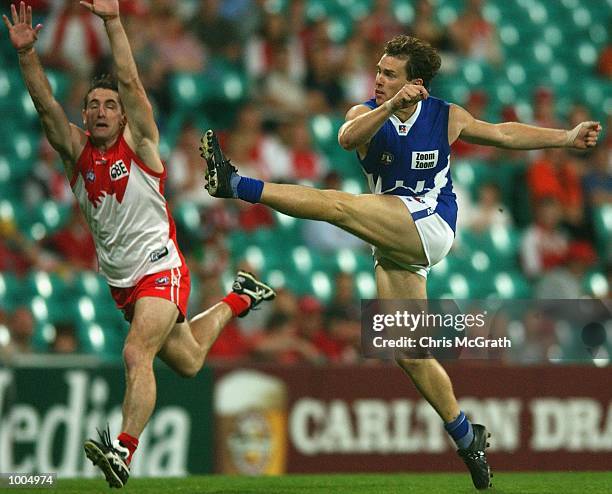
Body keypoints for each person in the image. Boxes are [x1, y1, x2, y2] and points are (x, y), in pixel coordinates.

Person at [200, 35, 602, 490]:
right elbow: (347, 137)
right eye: (378, 71)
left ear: (417, 83)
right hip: (394, 236)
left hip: (432, 227)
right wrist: (389, 106)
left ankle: (235, 184)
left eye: (390, 74)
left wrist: (566, 138)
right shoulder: (366, 114)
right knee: (409, 354)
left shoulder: (446, 116)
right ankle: (469, 437)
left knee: (340, 207)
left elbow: (504, 133)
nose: (378, 78)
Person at [2, 1, 276, 489]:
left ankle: (122, 450)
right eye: (94, 105)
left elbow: (129, 81)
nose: (103, 111)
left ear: (124, 115)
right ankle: (241, 297)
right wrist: (27, 57)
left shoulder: (143, 145)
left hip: (160, 266)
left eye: (111, 106)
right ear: (84, 114)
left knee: (135, 354)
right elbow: (46, 106)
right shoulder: (75, 152)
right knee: (189, 361)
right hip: (122, 283)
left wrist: (112, 22)